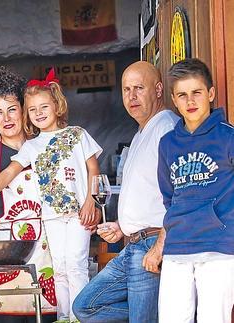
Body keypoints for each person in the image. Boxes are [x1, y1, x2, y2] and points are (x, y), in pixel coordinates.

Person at [0, 68, 102, 322]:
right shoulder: (13, 150)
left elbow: (93, 170)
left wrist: (91, 201)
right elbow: (6, 176)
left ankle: (78, 317)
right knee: (60, 273)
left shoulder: (64, 137)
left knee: (73, 268)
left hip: (57, 230)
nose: (6, 118)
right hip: (21, 240)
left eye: (12, 109)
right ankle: (67, 317)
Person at [72, 61, 180, 323]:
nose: (131, 96)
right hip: (132, 245)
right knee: (85, 307)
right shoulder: (142, 132)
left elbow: (180, 194)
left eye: (139, 88)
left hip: (150, 244)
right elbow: (148, 193)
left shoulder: (166, 128)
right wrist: (122, 226)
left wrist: (159, 247)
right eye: (126, 89)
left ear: (157, 89)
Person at [0, 66, 60, 321]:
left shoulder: (45, 144)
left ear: (24, 109)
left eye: (12, 109)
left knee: (48, 313)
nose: (7, 118)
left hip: (48, 244)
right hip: (4, 249)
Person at [157, 58, 234, 322]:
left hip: (219, 247)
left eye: (197, 92)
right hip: (177, 246)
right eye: (182, 95)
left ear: (210, 94)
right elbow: (169, 196)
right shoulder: (167, 144)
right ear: (174, 100)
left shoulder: (228, 137)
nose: (190, 101)